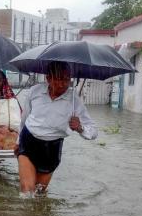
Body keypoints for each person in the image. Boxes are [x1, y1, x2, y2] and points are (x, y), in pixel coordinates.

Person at [15, 61, 97, 196]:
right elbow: (24, 119)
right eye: (58, 78)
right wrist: (18, 142)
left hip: (51, 149)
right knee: (27, 191)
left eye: (66, 79)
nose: (62, 84)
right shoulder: (34, 91)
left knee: (39, 193)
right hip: (28, 142)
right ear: (48, 78)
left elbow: (93, 131)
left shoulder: (74, 100)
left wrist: (80, 128)